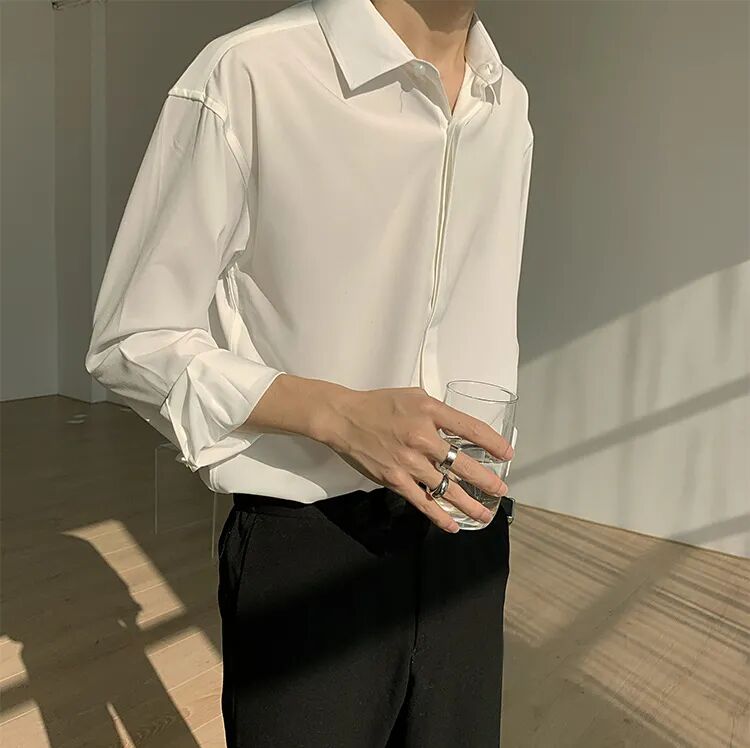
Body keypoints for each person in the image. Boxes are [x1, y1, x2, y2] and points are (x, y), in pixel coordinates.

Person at [85, 0, 534, 744]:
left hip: (468, 528)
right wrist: (336, 414)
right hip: (313, 542)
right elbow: (132, 340)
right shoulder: (251, 73)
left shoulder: (506, 102)